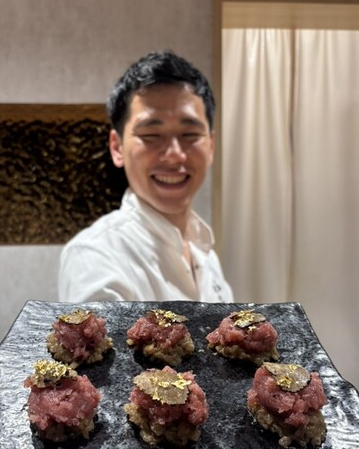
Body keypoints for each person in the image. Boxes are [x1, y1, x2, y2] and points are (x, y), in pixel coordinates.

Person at [58, 50, 233, 303]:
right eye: (151, 136)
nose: (174, 155)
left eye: (190, 135)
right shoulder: (95, 256)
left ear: (211, 146)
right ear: (117, 147)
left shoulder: (205, 251)